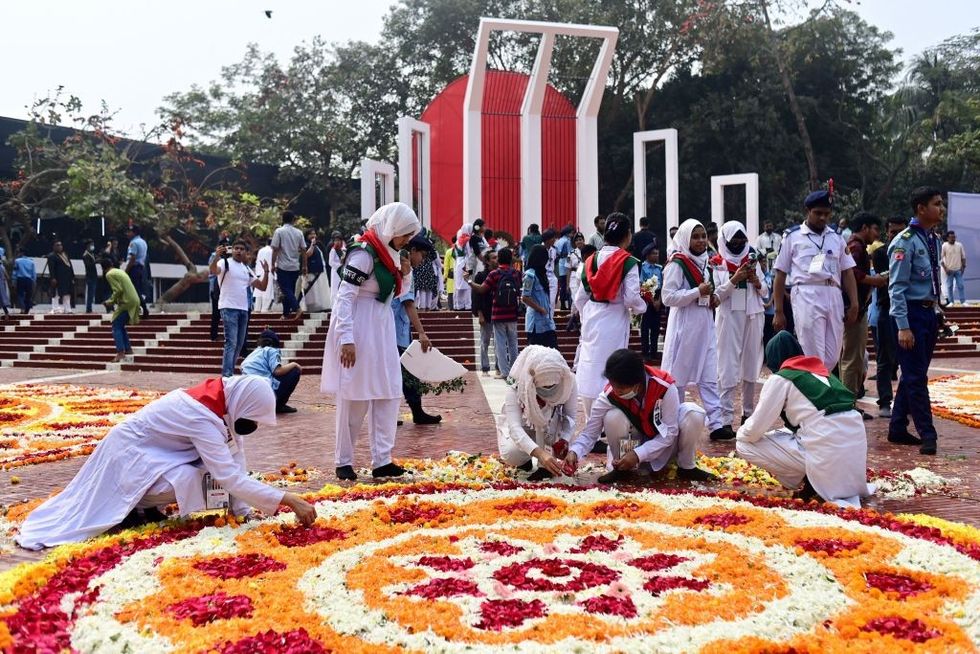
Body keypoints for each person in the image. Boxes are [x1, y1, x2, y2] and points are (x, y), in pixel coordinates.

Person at [17, 376, 317, 549]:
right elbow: (228, 477)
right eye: (252, 419)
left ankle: (141, 506)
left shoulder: (225, 404)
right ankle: (136, 506)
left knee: (204, 472)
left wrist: (244, 514)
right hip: (128, 460)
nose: (251, 426)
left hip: (148, 458)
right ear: (244, 405)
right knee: (192, 478)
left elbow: (235, 460)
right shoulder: (202, 416)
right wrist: (288, 500)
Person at [321, 202, 421, 481]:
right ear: (391, 229)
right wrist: (347, 339)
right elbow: (344, 297)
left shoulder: (389, 254)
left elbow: (398, 292)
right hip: (360, 328)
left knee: (388, 392)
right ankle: (344, 460)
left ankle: (382, 460)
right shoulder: (363, 254)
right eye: (405, 235)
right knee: (355, 396)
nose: (407, 241)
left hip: (382, 329)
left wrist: (406, 271)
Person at [736, 332, 874, 508]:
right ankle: (811, 477)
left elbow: (754, 430)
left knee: (744, 444)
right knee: (787, 432)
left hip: (826, 456)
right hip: (852, 460)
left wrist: (740, 433)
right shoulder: (824, 373)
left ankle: (808, 478)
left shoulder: (782, 377)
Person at [563, 349, 715, 484]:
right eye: (613, 384)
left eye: (621, 388)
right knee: (612, 417)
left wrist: (638, 454)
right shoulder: (609, 394)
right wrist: (574, 451)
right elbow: (591, 432)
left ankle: (686, 466)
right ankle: (621, 468)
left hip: (664, 446)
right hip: (631, 447)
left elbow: (669, 433)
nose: (616, 391)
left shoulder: (664, 386)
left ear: (638, 383)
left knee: (694, 413)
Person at [772, 190, 859, 372]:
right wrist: (779, 311)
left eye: (826, 214)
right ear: (808, 211)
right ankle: (817, 397)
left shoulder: (836, 237)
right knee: (813, 354)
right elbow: (779, 274)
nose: (822, 218)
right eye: (818, 213)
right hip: (806, 293)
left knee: (833, 355)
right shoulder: (793, 236)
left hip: (833, 293)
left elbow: (848, 272)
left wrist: (854, 303)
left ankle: (821, 386)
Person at [887, 187, 945, 455]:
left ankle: (898, 427)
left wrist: (938, 308)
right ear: (921, 209)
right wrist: (903, 326)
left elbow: (932, 278)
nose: (941, 208)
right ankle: (928, 433)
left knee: (914, 375)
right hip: (910, 314)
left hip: (928, 313)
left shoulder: (933, 239)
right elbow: (896, 287)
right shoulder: (904, 241)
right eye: (936, 204)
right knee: (915, 377)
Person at [574, 213, 646, 417]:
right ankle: (611, 417)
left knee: (590, 366)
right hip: (614, 318)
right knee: (614, 367)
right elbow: (632, 298)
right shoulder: (628, 262)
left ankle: (591, 421)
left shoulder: (591, 260)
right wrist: (642, 308)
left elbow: (580, 298)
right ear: (628, 235)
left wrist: (585, 317)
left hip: (592, 316)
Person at [661, 219, 727, 440]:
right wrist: (696, 292)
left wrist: (710, 297)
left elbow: (707, 292)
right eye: (695, 237)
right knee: (677, 376)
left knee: (709, 373)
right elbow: (668, 297)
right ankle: (676, 420)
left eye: (703, 236)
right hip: (684, 325)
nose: (700, 241)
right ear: (685, 238)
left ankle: (717, 424)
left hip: (705, 322)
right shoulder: (677, 264)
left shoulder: (706, 262)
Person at [710, 221, 767, 430]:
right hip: (729, 316)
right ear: (725, 240)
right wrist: (735, 279)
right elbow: (716, 295)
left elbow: (766, 292)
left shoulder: (752, 260)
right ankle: (725, 419)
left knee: (751, 364)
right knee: (727, 365)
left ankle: (748, 414)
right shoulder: (717, 263)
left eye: (741, 238)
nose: (738, 243)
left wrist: (756, 281)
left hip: (753, 314)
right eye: (733, 239)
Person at [495, 345, 577, 480]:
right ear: (531, 379)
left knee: (551, 414)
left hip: (551, 428)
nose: (549, 392)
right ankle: (527, 459)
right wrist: (539, 453)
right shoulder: (517, 383)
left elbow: (571, 417)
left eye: (553, 387)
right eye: (544, 387)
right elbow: (515, 427)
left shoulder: (568, 380)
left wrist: (564, 440)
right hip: (524, 427)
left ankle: (546, 466)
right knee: (512, 454)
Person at [840, 212, 887, 414]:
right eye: (875, 229)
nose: (877, 234)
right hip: (854, 310)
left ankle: (849, 403)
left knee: (855, 357)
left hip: (857, 309)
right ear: (865, 227)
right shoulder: (856, 247)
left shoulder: (857, 246)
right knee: (852, 359)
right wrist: (873, 280)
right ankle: (848, 405)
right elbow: (851, 274)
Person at [392, 239, 442, 424]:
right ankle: (407, 413)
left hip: (399, 330)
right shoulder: (405, 270)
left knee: (404, 374)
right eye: (422, 255)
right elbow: (408, 303)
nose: (422, 260)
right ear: (412, 250)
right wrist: (422, 333)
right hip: (394, 331)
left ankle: (415, 411)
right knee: (402, 374)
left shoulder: (398, 265)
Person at [210, 240, 271, 377]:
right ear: (232, 251)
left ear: (246, 252)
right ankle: (226, 375)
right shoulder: (224, 263)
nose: (238, 251)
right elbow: (213, 270)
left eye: (242, 249)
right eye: (236, 248)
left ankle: (229, 372)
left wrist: (267, 272)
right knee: (231, 342)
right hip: (228, 307)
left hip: (243, 309)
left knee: (239, 343)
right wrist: (216, 257)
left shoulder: (246, 269)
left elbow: (262, 286)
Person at [466, 247, 522, 375]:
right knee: (513, 343)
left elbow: (481, 289)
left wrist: (469, 281)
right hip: (512, 313)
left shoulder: (494, 274)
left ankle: (504, 372)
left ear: (500, 259)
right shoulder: (516, 273)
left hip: (497, 314)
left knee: (500, 344)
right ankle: (515, 370)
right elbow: (519, 290)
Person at [872, 217, 906, 418]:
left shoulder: (909, 248)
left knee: (908, 359)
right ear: (887, 232)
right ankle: (885, 401)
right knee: (885, 359)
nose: (896, 236)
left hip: (908, 309)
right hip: (887, 309)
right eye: (893, 232)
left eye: (900, 231)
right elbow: (886, 278)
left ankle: (906, 402)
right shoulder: (880, 253)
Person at [241, 328, 302, 414]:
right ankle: (279, 405)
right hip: (265, 391)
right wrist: (294, 364)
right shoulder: (272, 350)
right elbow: (277, 371)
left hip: (251, 393)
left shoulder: (255, 352)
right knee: (295, 371)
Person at [100, 257, 140, 363]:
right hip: (134, 299)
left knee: (116, 324)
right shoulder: (119, 271)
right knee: (120, 324)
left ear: (103, 268)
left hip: (127, 301)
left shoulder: (109, 274)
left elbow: (118, 289)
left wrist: (110, 301)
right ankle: (128, 349)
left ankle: (120, 352)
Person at [271, 210, 306, 319]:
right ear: (293, 220)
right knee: (289, 290)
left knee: (285, 289)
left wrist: (272, 264)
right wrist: (305, 265)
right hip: (295, 266)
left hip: (283, 266)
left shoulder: (279, 232)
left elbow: (275, 249)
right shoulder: (299, 232)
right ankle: (286, 314)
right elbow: (304, 250)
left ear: (283, 219)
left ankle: (297, 308)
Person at [522, 245, 558, 350]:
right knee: (535, 355)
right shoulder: (530, 275)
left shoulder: (542, 274)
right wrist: (540, 309)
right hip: (535, 324)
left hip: (547, 321)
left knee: (553, 352)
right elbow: (525, 297)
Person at [472, 249, 499, 376]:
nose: (496, 260)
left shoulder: (500, 274)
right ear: (487, 261)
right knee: (485, 341)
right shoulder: (480, 276)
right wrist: (479, 314)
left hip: (498, 313)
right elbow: (476, 296)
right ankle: (485, 367)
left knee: (499, 342)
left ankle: (499, 367)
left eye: (497, 257)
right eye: (493, 258)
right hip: (486, 313)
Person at [639, 244, 663, 360]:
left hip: (658, 297)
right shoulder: (643, 268)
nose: (656, 255)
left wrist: (659, 300)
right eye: (654, 253)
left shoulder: (659, 268)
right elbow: (642, 286)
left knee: (656, 327)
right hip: (646, 298)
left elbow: (663, 285)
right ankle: (645, 351)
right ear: (647, 255)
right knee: (645, 327)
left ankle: (654, 351)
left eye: (657, 253)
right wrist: (652, 300)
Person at [299, 229, 330, 312]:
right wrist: (312, 244)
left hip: (319, 270)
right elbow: (307, 254)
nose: (313, 236)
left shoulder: (318, 245)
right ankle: (311, 307)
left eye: (314, 233)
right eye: (311, 234)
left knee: (319, 290)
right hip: (311, 271)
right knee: (312, 291)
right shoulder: (306, 244)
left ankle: (320, 307)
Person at [124, 226, 150, 319]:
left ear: (134, 233)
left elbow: (132, 258)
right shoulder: (143, 242)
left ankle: (142, 309)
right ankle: (140, 309)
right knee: (136, 289)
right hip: (140, 268)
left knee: (132, 291)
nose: (127, 234)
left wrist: (126, 271)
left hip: (133, 268)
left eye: (129, 232)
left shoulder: (133, 243)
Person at [45, 240, 74, 314]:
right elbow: (51, 268)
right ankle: (55, 309)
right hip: (58, 278)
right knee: (56, 294)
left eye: (61, 245)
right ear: (54, 247)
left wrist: (72, 276)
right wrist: (53, 278)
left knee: (67, 294)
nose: (60, 247)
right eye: (58, 245)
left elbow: (70, 266)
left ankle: (68, 309)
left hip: (67, 278)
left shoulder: (65, 254)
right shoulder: (52, 256)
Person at [452, 224, 475, 310]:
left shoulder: (458, 241)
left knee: (458, 285)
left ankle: (459, 305)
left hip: (458, 263)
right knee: (468, 283)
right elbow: (470, 254)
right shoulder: (467, 240)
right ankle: (468, 305)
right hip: (466, 263)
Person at [941, 230, 967, 306]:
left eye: (954, 237)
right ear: (947, 238)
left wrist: (963, 267)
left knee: (961, 285)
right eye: (951, 237)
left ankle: (963, 301)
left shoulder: (959, 245)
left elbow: (963, 257)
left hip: (958, 269)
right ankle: (951, 301)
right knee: (949, 286)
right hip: (949, 270)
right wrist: (945, 269)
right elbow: (941, 259)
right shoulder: (944, 245)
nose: (953, 239)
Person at [555, 225, 574, 311]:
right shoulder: (567, 241)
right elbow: (570, 253)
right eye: (572, 233)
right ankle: (568, 303)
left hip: (560, 263)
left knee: (562, 284)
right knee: (567, 284)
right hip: (566, 262)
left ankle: (562, 303)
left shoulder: (559, 240)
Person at [541, 228, 559, 315]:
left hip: (551, 276)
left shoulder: (554, 250)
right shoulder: (539, 249)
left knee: (552, 302)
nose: (554, 240)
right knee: (543, 302)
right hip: (542, 276)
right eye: (553, 238)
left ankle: (550, 320)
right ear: (547, 239)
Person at [12, 249, 35, 314]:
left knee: (20, 294)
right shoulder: (31, 262)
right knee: (28, 295)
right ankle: (27, 309)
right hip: (29, 280)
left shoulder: (17, 261)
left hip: (20, 279)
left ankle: (22, 308)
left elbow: (15, 272)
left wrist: (13, 280)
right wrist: (33, 281)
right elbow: (33, 273)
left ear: (21, 253)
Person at [328, 231, 346, 308]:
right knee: (335, 288)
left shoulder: (343, 249)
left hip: (342, 271)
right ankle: (334, 305)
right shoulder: (333, 250)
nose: (337, 242)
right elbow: (330, 262)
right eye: (336, 240)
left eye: (339, 240)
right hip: (335, 272)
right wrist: (340, 265)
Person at [82, 240, 99, 313]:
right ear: (88, 245)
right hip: (90, 276)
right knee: (90, 293)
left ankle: (90, 308)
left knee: (92, 293)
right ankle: (88, 309)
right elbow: (88, 265)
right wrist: (95, 261)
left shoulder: (92, 254)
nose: (93, 246)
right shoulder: (86, 255)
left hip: (93, 275)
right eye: (91, 244)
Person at [443, 237, 456, 309]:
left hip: (451, 274)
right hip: (459, 274)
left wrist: (445, 277)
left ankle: (451, 308)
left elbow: (446, 266)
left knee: (450, 292)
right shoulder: (462, 250)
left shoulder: (449, 251)